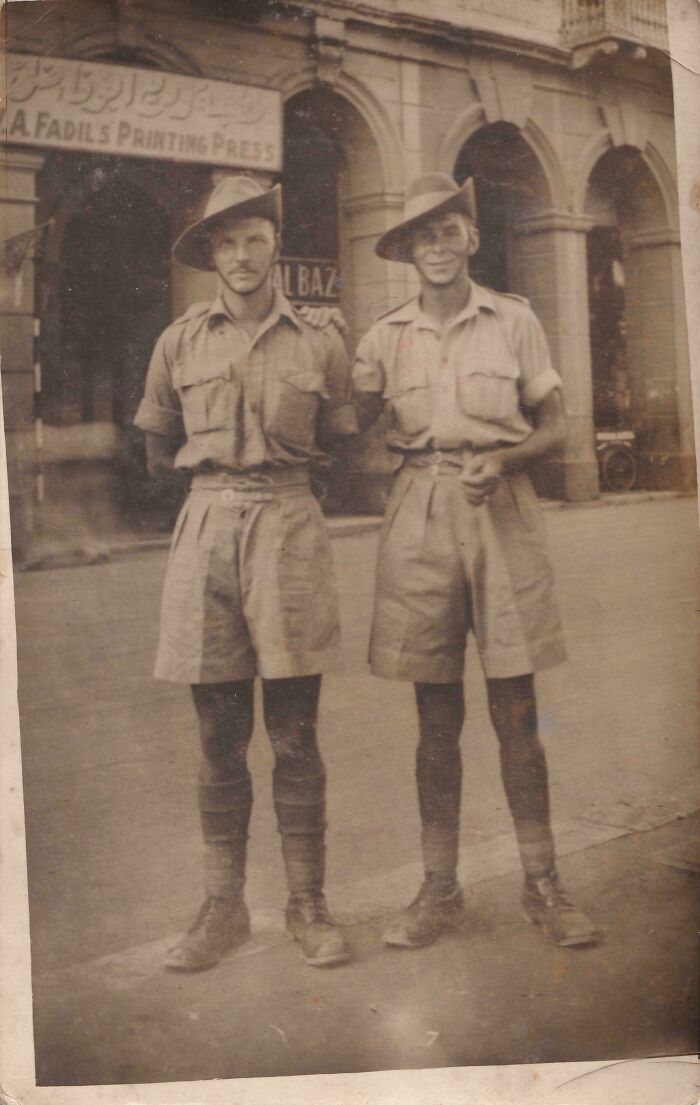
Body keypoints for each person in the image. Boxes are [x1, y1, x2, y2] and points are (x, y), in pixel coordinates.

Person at [351, 173, 599, 949]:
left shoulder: (515, 321)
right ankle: (438, 888)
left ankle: (544, 883)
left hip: (502, 509)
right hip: (418, 513)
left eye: (448, 229)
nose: (436, 246)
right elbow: (346, 424)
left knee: (516, 708)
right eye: (421, 235)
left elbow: (558, 428)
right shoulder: (383, 335)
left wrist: (508, 457)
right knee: (435, 715)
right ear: (407, 251)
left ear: (472, 236)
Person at [134, 176, 357, 971]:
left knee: (295, 733)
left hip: (291, 532)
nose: (240, 255)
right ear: (209, 254)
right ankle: (223, 908)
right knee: (217, 734)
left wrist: (283, 492)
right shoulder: (180, 341)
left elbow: (343, 442)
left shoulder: (322, 338)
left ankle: (308, 904)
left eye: (254, 237)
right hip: (206, 532)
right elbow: (157, 453)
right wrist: (216, 483)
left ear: (275, 245)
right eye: (224, 242)